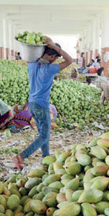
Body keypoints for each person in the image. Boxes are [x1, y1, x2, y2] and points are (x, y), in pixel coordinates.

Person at [13, 37, 72, 170]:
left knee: (43, 135)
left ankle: (46, 158)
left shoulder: (32, 65)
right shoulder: (49, 69)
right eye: (56, 57)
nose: (56, 60)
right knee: (45, 136)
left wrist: (50, 48)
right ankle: (22, 156)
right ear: (51, 56)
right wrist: (56, 47)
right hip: (42, 105)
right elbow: (69, 60)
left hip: (32, 104)